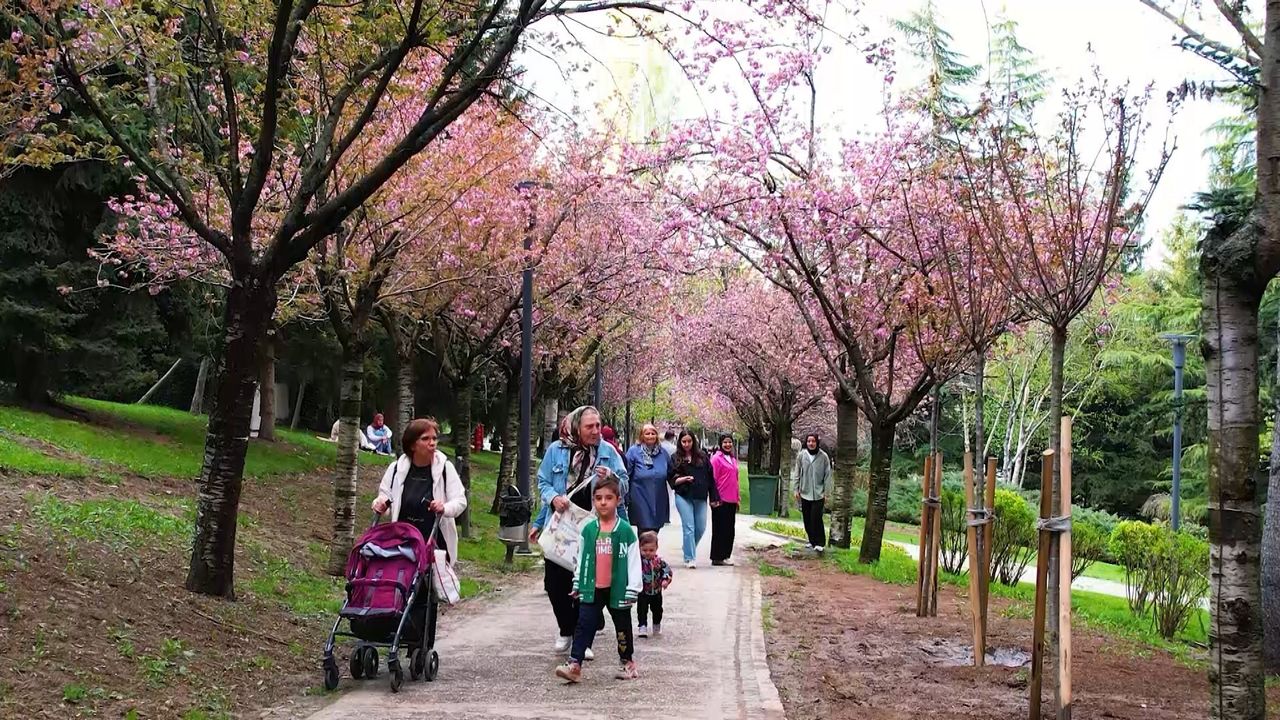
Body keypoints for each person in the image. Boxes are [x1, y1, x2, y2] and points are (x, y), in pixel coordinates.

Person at [529, 405, 629, 656]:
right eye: (589, 427)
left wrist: (612, 477)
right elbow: (543, 481)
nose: (596, 431)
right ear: (576, 427)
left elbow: (625, 485)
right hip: (562, 523)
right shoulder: (556, 450)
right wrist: (551, 501)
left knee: (588, 584)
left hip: (595, 525)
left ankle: (582, 640)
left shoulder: (608, 452)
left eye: (598, 425)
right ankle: (566, 628)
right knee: (555, 583)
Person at [369, 417, 467, 647]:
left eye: (434, 438)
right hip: (402, 539)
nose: (432, 443)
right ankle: (394, 631)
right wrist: (380, 503)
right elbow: (384, 495)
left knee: (425, 590)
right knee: (400, 585)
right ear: (413, 444)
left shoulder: (444, 468)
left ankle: (421, 644)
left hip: (432, 538)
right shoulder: (397, 469)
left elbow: (460, 501)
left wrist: (444, 507)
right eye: (426, 439)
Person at [554, 475, 641, 683]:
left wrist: (633, 587)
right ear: (593, 500)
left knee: (622, 628)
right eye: (599, 498)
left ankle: (628, 663)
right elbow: (581, 557)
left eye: (609, 498)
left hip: (618, 588)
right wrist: (578, 581)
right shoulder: (588, 530)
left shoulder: (625, 531)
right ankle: (574, 664)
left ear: (618, 500)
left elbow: (633, 560)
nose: (603, 502)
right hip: (591, 587)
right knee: (584, 625)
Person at [668, 430, 717, 568]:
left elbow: (710, 478)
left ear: (693, 441)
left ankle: (688, 547)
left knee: (700, 527)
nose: (686, 444)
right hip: (683, 495)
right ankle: (690, 558)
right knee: (689, 527)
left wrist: (714, 496)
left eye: (689, 441)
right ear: (680, 442)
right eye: (684, 441)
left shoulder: (702, 457)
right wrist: (684, 479)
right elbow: (671, 479)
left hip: (700, 495)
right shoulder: (675, 458)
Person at [624, 423, 672, 535]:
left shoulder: (663, 453)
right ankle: (644, 547)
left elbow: (671, 473)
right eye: (647, 433)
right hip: (640, 497)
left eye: (653, 433)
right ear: (642, 436)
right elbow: (626, 474)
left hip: (659, 497)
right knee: (644, 530)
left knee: (655, 530)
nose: (650, 436)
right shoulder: (633, 452)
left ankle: (652, 546)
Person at [792, 433, 834, 551]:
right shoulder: (801, 455)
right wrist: (796, 489)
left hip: (818, 494)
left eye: (813, 441)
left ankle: (820, 543)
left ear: (817, 442)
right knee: (807, 519)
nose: (811, 443)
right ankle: (811, 541)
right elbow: (797, 473)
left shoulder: (823, 457)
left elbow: (827, 475)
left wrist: (826, 492)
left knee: (816, 518)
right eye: (809, 441)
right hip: (805, 492)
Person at [709, 434, 741, 566]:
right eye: (725, 442)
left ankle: (726, 555)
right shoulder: (716, 459)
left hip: (732, 499)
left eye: (730, 442)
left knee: (729, 529)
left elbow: (736, 480)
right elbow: (712, 479)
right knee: (719, 529)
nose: (728, 445)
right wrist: (713, 497)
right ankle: (717, 556)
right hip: (720, 499)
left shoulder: (733, 459)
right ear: (720, 444)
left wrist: (738, 498)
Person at [636, 531, 672, 638]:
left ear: (656, 548)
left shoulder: (659, 562)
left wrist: (665, 580)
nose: (648, 553)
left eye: (651, 550)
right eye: (644, 550)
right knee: (641, 610)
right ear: (639, 548)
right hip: (643, 591)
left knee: (657, 610)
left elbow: (667, 571)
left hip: (656, 591)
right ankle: (642, 626)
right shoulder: (638, 562)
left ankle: (656, 624)